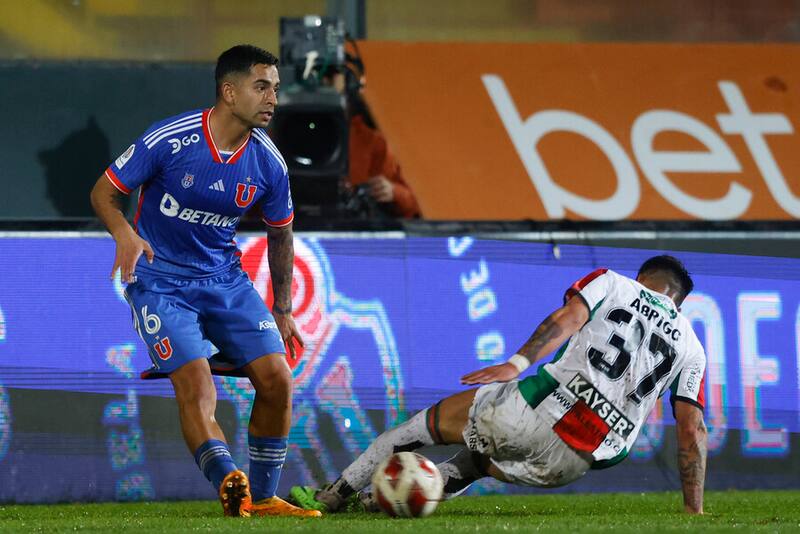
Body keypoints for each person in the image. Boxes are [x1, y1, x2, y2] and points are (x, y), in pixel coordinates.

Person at [89, 44, 321, 519]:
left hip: (224, 281)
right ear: (228, 91)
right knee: (197, 385)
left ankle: (262, 495)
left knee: (278, 379)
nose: (272, 98)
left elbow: (281, 235)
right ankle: (228, 482)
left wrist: (283, 309)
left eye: (275, 88)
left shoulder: (268, 164)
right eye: (261, 86)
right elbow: (105, 191)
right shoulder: (171, 141)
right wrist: (125, 235)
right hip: (160, 282)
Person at [290, 255, 708, 515]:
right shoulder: (692, 346)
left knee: (415, 430)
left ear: (643, 278)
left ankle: (334, 495)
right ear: (679, 300)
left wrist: (517, 362)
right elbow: (692, 431)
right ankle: (386, 500)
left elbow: (567, 320)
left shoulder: (615, 282)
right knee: (473, 463)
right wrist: (694, 509)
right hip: (580, 459)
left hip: (540, 410)